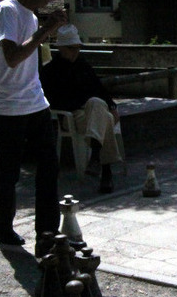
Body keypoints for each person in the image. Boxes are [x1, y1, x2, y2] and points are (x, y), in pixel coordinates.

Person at [0, 0, 69, 247]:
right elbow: (11, 58)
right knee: (9, 173)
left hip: (35, 102)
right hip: (9, 106)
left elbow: (32, 58)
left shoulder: (32, 16)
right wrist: (45, 30)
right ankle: (0, 228)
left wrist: (44, 30)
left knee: (49, 168)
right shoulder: (7, 10)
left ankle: (47, 233)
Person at [39, 24, 122, 194]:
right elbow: (53, 100)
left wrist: (112, 105)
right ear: (61, 48)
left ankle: (95, 158)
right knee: (104, 117)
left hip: (92, 111)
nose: (75, 52)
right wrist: (79, 102)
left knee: (97, 104)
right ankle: (105, 171)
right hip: (73, 115)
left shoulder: (82, 65)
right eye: (71, 48)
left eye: (77, 48)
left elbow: (99, 88)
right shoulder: (50, 71)